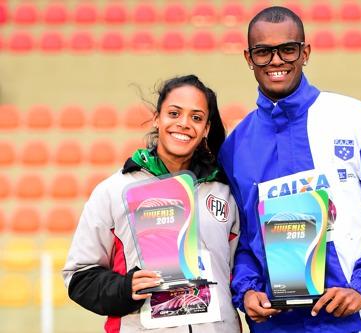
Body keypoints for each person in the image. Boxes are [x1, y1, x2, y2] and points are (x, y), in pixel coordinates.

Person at [218, 6, 361, 333]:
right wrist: (248, 290)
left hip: (357, 322)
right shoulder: (236, 146)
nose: (276, 61)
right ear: (248, 58)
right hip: (277, 326)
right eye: (263, 52)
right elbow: (241, 244)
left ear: (305, 52)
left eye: (288, 49)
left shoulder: (355, 120)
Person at [63, 75, 241, 333]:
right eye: (174, 113)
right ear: (157, 118)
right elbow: (79, 278)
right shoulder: (113, 191)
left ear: (206, 129)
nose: (184, 124)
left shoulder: (224, 193)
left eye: (196, 117)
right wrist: (126, 287)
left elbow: (240, 269)